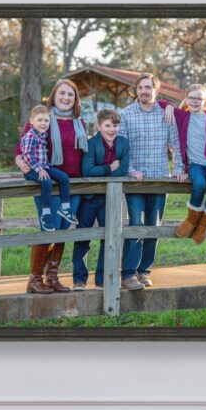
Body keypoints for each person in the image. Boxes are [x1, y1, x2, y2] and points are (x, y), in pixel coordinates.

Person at [14, 78, 88, 294]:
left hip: (73, 185)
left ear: (75, 99)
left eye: (70, 95)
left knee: (64, 230)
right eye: (61, 93)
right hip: (49, 182)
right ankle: (35, 279)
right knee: (50, 228)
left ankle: (52, 278)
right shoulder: (43, 118)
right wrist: (20, 161)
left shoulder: (79, 122)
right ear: (53, 96)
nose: (66, 98)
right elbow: (21, 146)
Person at [117, 73, 183, 291]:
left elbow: (175, 145)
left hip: (160, 178)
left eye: (148, 87)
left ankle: (144, 271)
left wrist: (180, 168)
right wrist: (131, 170)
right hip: (136, 180)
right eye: (140, 87)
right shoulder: (125, 114)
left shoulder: (166, 114)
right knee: (136, 225)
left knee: (154, 226)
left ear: (156, 90)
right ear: (136, 90)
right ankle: (128, 274)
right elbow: (122, 148)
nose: (144, 91)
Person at [165, 84, 206, 244]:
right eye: (191, 98)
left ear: (205, 101)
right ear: (186, 99)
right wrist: (167, 106)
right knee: (199, 183)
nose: (194, 101)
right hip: (195, 165)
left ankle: (203, 226)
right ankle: (191, 220)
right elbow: (160, 102)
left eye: (199, 99)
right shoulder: (182, 116)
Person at [75, 109, 130, 290]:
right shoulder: (91, 144)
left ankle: (102, 278)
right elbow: (87, 171)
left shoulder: (123, 143)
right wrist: (109, 167)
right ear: (99, 126)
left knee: (109, 238)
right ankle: (79, 278)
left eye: (115, 126)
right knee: (83, 236)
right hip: (89, 198)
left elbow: (123, 171)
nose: (112, 130)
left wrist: (110, 169)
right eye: (108, 126)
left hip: (110, 198)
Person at [20, 105, 78, 232]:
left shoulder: (43, 135)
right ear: (31, 121)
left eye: (46, 120)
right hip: (32, 170)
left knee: (63, 177)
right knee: (46, 182)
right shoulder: (30, 136)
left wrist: (43, 168)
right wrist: (39, 169)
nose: (43, 123)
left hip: (45, 166)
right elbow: (28, 154)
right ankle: (46, 214)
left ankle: (65, 207)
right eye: (39, 120)